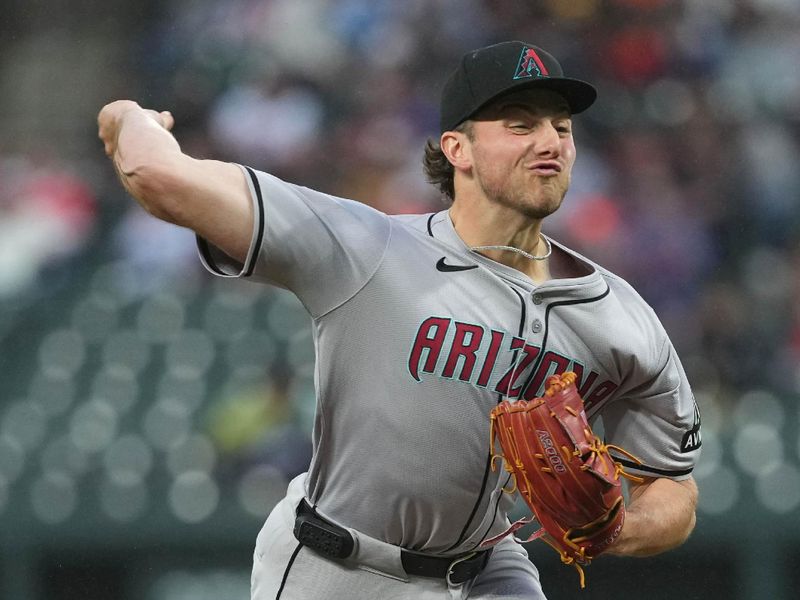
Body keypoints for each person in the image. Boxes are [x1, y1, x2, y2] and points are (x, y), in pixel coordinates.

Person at [98, 40, 700, 600]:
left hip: (489, 570)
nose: (551, 142)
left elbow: (674, 488)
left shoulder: (620, 317)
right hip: (338, 567)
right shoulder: (368, 248)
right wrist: (128, 117)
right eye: (521, 124)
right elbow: (159, 176)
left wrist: (616, 529)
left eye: (562, 128)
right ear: (455, 149)